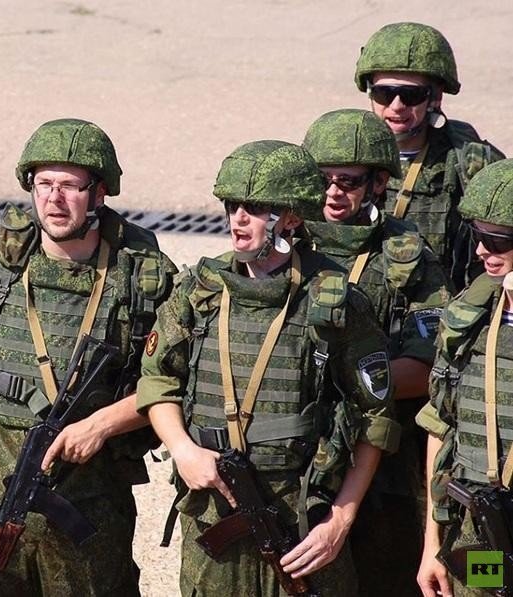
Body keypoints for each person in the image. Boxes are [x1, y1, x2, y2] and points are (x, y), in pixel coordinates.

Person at [136, 139, 400, 596]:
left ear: (291, 218)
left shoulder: (332, 300)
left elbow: (375, 417)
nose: (238, 219)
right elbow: (158, 381)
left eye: (256, 209)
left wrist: (340, 520)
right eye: (232, 206)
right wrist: (183, 450)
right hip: (212, 513)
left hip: (301, 517)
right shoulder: (199, 291)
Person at [0, 118, 177, 596]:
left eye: (70, 186)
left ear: (99, 193)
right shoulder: (0, 261)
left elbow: (171, 381)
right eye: (44, 184)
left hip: (92, 495)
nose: (54, 200)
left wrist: (101, 425)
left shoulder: (141, 277)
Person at [302, 107, 452, 596]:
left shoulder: (405, 258)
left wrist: (348, 383)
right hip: (298, 453)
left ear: (379, 183)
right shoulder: (286, 245)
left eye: (347, 181)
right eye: (322, 179)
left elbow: (429, 367)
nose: (332, 193)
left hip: (385, 459)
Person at [416, 159, 513, 597]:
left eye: (496, 240)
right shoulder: (468, 316)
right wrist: (431, 546)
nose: (480, 251)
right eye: (477, 236)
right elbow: (441, 425)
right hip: (482, 529)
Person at [354, 21, 505, 291]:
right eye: (384, 93)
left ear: (435, 97)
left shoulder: (470, 163)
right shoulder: (343, 154)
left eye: (411, 95)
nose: (396, 106)